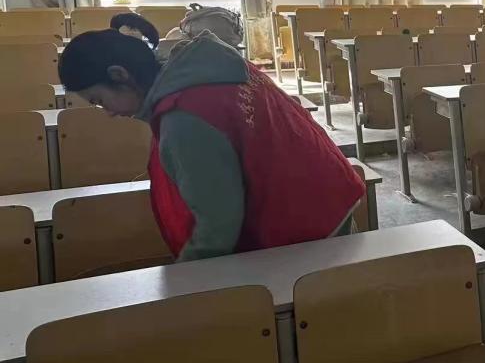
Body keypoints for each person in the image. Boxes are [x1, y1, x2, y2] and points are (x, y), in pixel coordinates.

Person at [58, 25, 366, 262]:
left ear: (119, 75)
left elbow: (217, 228)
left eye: (100, 100)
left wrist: (186, 280)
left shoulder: (184, 118)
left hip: (305, 233)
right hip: (325, 202)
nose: (108, 112)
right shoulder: (207, 65)